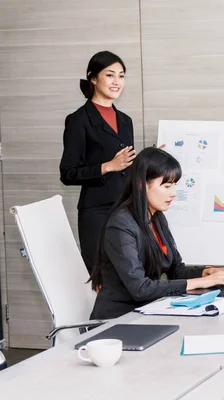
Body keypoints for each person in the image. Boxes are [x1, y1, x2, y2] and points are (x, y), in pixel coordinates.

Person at [89, 148, 224, 320]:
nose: (173, 193)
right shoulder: (120, 224)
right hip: (116, 321)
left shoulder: (157, 217)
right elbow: (140, 288)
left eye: (174, 185)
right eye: (166, 186)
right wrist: (203, 282)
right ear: (141, 184)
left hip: (147, 312)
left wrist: (211, 272)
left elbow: (177, 271)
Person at [59, 51, 136, 274]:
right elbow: (68, 173)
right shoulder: (78, 120)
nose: (117, 82)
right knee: (100, 278)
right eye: (110, 75)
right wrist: (108, 166)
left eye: (121, 76)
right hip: (97, 213)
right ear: (93, 78)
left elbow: (126, 166)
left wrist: (150, 161)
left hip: (126, 209)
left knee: (128, 276)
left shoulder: (125, 120)